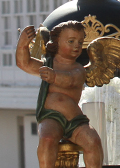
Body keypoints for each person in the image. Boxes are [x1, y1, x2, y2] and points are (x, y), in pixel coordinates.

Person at [16, 21, 103, 168]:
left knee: (93, 141)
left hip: (74, 119)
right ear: (57, 42)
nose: (76, 46)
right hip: (51, 117)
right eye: (71, 41)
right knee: (47, 139)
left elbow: (71, 80)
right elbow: (24, 63)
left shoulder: (78, 69)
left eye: (80, 42)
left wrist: (54, 76)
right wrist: (23, 44)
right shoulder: (47, 65)